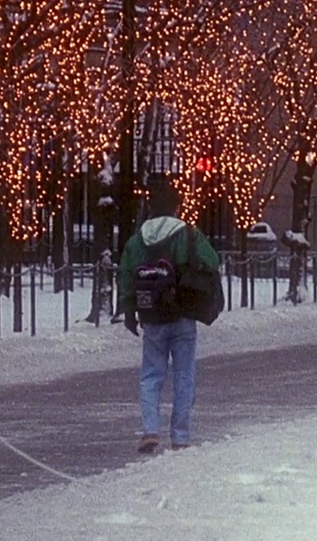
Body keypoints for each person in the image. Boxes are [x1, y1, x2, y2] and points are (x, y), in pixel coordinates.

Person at [117, 177, 221, 453]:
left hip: (151, 316)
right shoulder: (188, 234)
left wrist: (129, 309)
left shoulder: (138, 239)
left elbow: (126, 275)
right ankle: (180, 435)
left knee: (151, 375)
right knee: (184, 374)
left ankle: (150, 430)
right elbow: (212, 260)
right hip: (183, 313)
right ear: (176, 206)